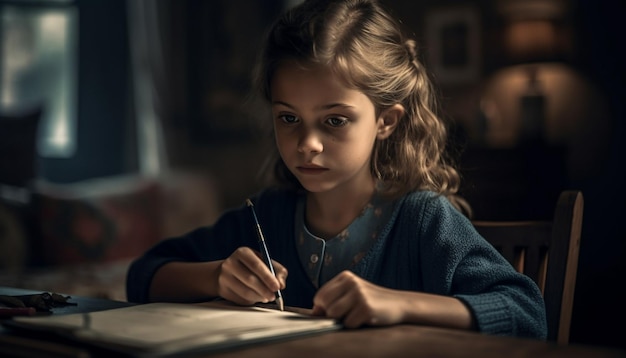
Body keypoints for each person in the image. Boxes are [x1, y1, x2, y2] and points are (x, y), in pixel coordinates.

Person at [126, 0, 547, 338]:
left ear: (386, 121)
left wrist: (400, 304)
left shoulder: (422, 219)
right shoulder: (267, 218)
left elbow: (527, 311)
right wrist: (216, 277)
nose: (307, 144)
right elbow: (143, 275)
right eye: (288, 118)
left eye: (335, 120)